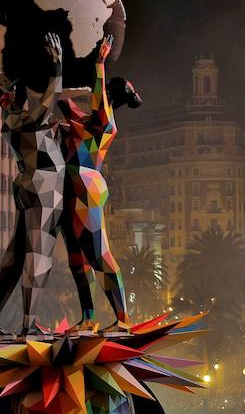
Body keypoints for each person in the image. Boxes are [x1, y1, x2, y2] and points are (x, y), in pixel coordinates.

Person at [0, 33, 65, 337]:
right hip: (45, 185)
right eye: (10, 89)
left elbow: (41, 130)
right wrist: (57, 67)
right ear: (4, 96)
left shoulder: (12, 123)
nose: (15, 91)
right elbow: (49, 102)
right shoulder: (21, 120)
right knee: (37, 255)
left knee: (15, 257)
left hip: (29, 185)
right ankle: (28, 326)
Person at [57, 34, 140, 333]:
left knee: (98, 254)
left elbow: (95, 98)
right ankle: (89, 317)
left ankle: (122, 320)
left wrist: (99, 64)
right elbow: (64, 103)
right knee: (77, 258)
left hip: (86, 188)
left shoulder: (105, 123)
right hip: (70, 189)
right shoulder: (84, 121)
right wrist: (57, 64)